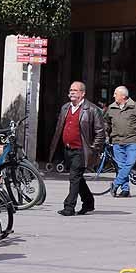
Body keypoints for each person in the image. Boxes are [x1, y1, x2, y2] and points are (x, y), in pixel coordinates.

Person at [50, 81, 106, 216]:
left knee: (74, 177)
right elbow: (59, 129)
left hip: (82, 150)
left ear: (83, 93)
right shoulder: (65, 108)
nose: (72, 93)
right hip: (67, 149)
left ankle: (69, 207)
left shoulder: (92, 110)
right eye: (70, 90)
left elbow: (100, 132)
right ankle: (89, 202)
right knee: (78, 178)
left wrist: (93, 149)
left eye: (75, 90)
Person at [104, 85, 136, 197]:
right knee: (121, 166)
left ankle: (115, 184)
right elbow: (106, 123)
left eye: (116, 93)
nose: (113, 95)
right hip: (117, 141)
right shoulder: (111, 108)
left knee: (129, 164)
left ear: (123, 96)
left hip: (132, 141)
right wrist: (107, 135)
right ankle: (125, 190)